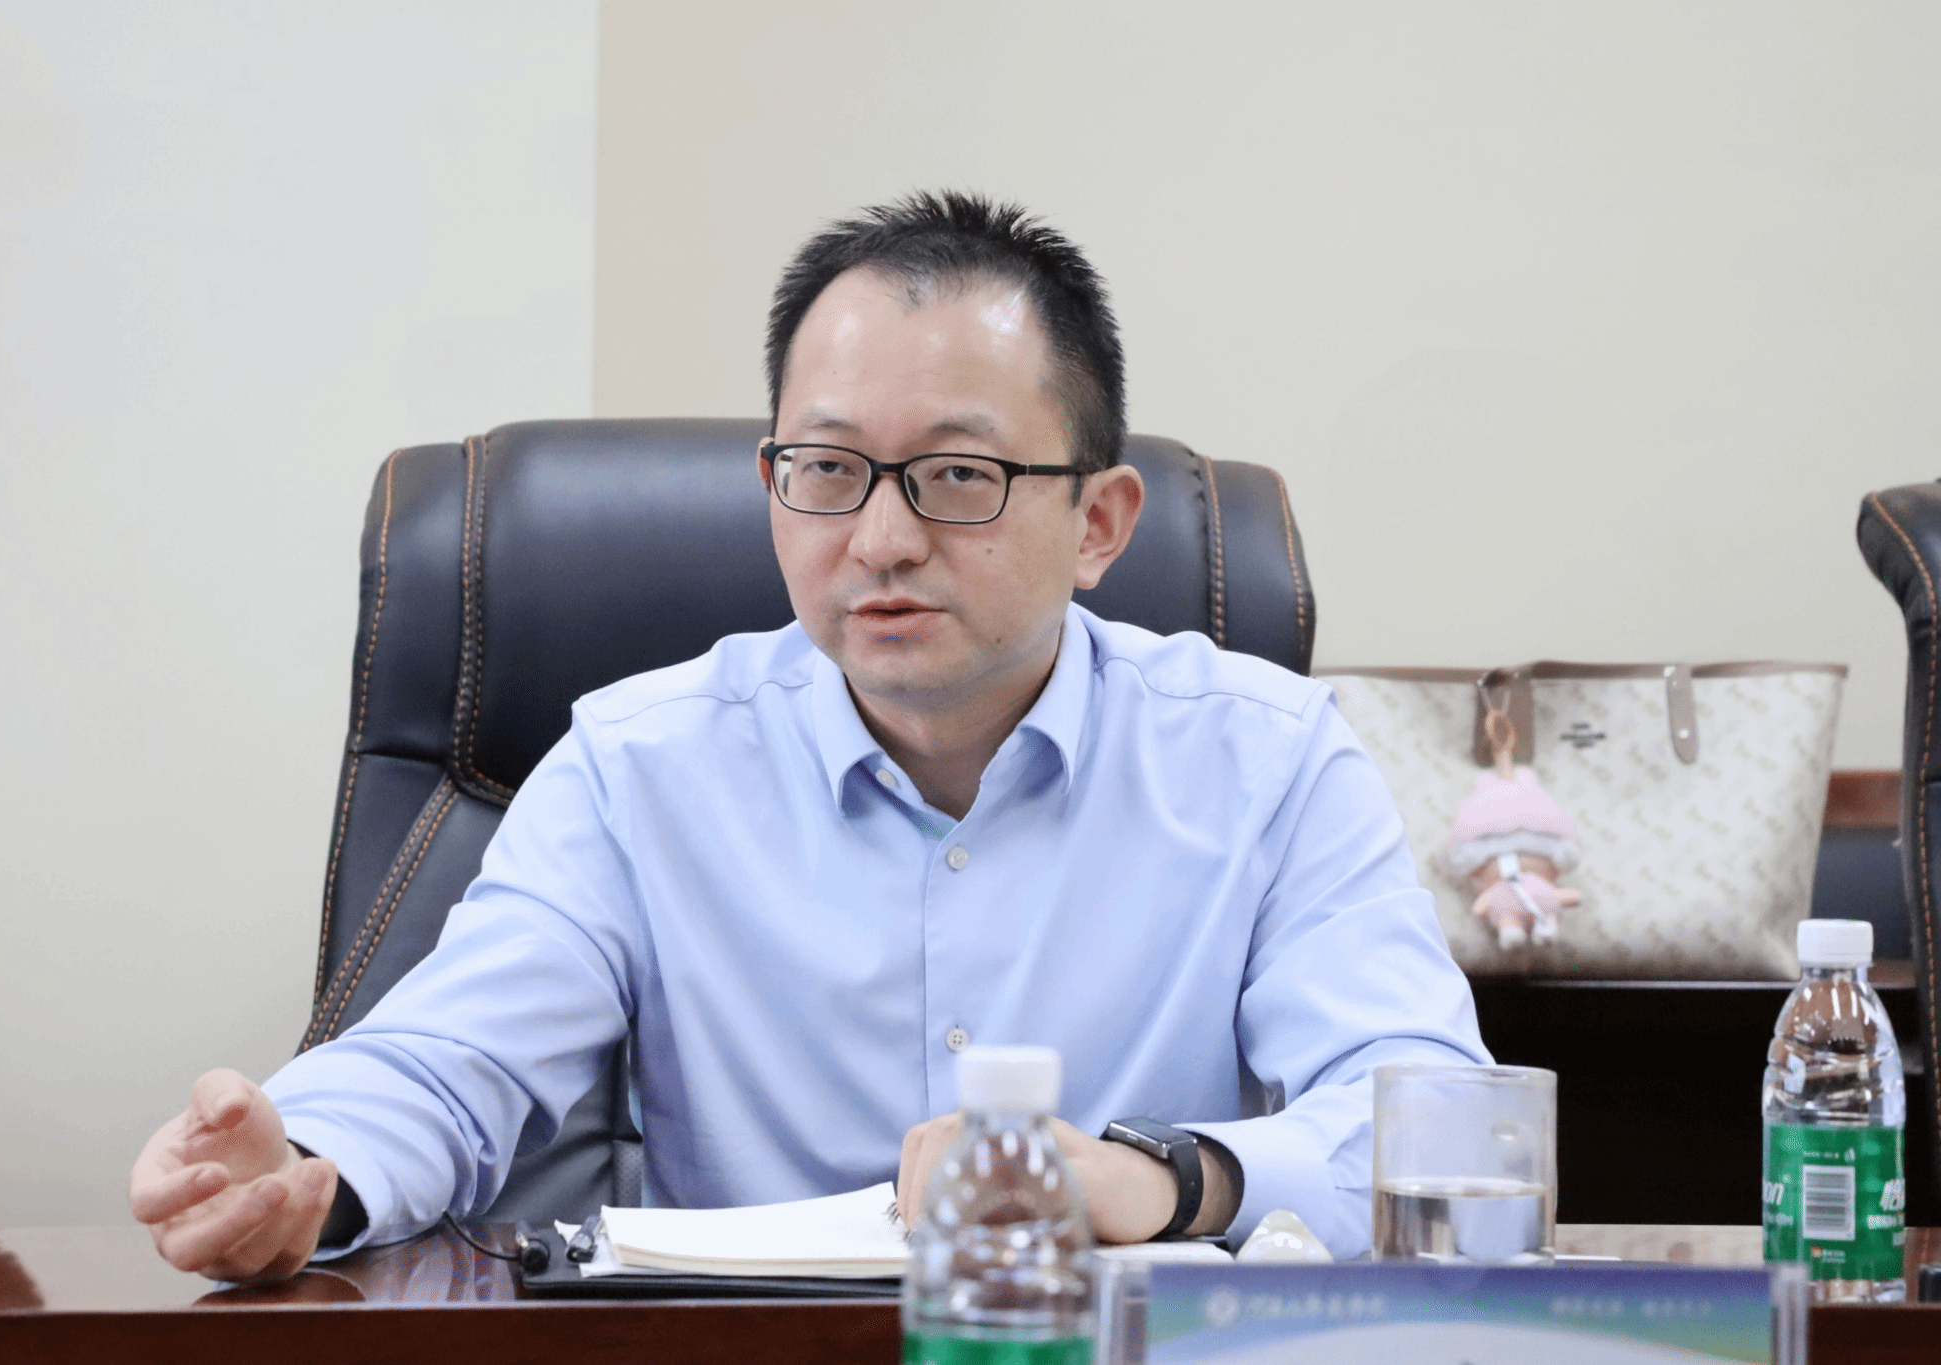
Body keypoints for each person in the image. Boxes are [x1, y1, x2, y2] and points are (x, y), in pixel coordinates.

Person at [130, 191, 1489, 1284]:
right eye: (829, 470)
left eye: (957, 475)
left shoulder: (1269, 760)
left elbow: (1435, 1126)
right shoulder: (636, 767)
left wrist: (1161, 1179)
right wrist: (299, 1164)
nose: (881, 540)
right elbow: (450, 1062)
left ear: (1099, 523)